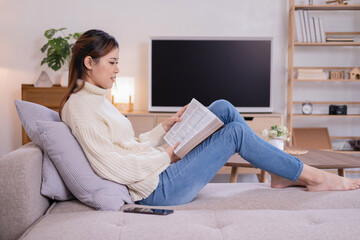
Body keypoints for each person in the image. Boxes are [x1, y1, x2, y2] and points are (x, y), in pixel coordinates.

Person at [60, 29, 360, 206]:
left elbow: (125, 145)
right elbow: (114, 167)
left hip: (154, 170)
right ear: (89, 62)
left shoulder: (98, 100)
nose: (116, 70)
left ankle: (281, 174)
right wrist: (168, 155)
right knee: (235, 134)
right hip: (155, 189)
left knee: (223, 108)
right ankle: (313, 176)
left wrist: (162, 129)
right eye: (112, 62)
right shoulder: (80, 108)